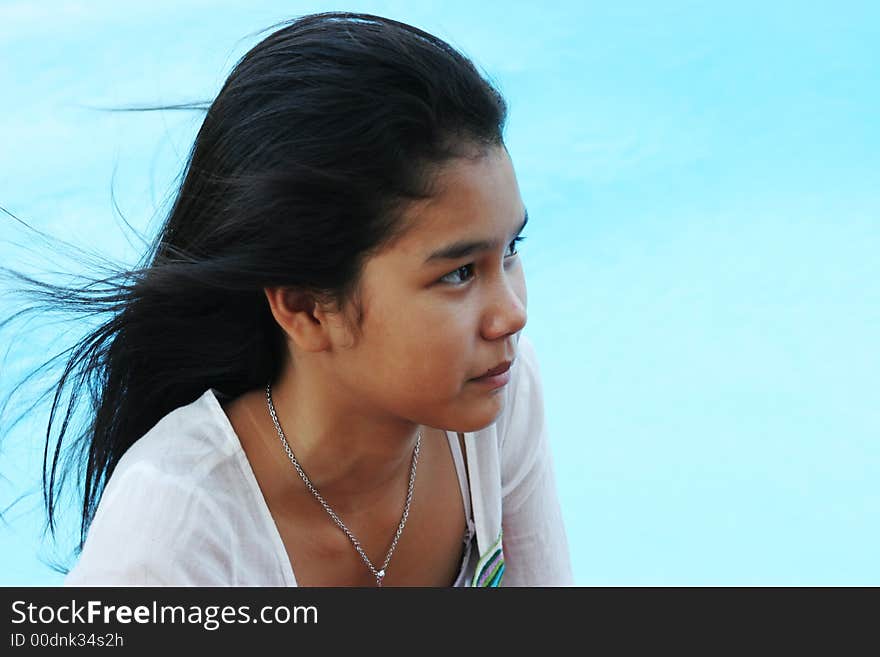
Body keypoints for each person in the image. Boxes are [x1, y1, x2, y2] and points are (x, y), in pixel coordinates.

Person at [3, 11, 572, 586]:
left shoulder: (492, 400)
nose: (512, 315)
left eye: (510, 251)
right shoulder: (170, 541)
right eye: (458, 274)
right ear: (304, 307)